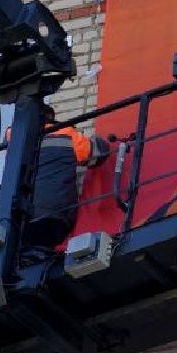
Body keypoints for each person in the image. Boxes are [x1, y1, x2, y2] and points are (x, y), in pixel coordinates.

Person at [20, 106, 110, 266]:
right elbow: (99, 152)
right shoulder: (66, 135)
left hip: (23, 216)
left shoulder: (16, 138)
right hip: (57, 214)